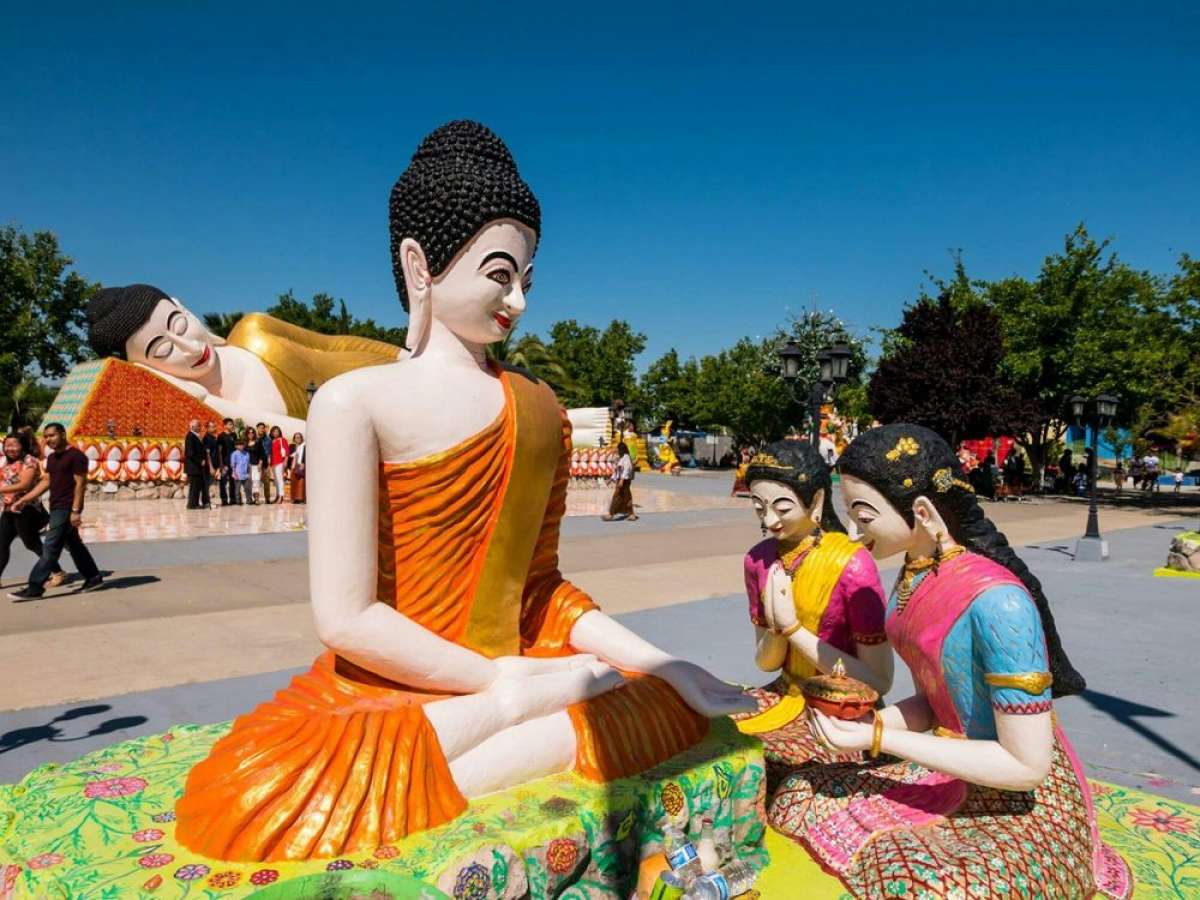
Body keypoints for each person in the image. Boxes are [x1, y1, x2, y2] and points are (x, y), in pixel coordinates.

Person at [175, 120, 751, 861]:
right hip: (389, 692)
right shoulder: (354, 402)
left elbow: (542, 590)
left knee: (662, 703)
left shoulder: (538, 407)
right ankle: (531, 721)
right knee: (257, 793)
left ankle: (517, 728)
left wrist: (671, 666)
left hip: (505, 684)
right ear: (420, 266)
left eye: (527, 279)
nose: (518, 301)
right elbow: (348, 619)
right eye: (499, 273)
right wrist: (500, 685)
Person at [768, 424, 1130, 900]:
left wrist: (877, 736)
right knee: (799, 794)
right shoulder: (914, 577)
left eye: (864, 515)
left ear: (921, 512)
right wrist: (865, 727)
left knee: (925, 885)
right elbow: (937, 701)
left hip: (1018, 796)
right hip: (948, 761)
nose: (854, 533)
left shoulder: (999, 602)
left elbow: (1027, 766)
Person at [735, 440, 890, 780]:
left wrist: (794, 630)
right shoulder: (757, 560)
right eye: (759, 508)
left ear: (816, 500)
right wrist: (777, 629)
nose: (770, 520)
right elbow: (766, 663)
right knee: (707, 732)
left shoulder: (851, 564)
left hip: (839, 707)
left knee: (761, 760)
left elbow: (879, 681)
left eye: (782, 507)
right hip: (784, 691)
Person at [85, 284, 402, 429]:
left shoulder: (253, 330)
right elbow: (305, 437)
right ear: (143, 368)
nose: (191, 348)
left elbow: (331, 345)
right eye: (163, 350)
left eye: (179, 324)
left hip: (391, 374)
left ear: (183, 307)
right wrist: (200, 400)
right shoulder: (211, 412)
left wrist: (404, 354)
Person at [8, 423, 103, 600]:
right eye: (46, 437)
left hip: (66, 508)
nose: (48, 439)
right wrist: (24, 499)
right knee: (74, 545)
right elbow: (47, 482)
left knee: (51, 548)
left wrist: (76, 510)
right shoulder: (52, 458)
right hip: (55, 506)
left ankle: (34, 587)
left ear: (62, 434)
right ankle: (93, 577)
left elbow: (81, 484)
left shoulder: (76, 456)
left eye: (52, 435)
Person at [0, 432, 65, 589]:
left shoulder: (30, 461)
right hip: (9, 509)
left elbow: (25, 484)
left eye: (14, 444)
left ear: (22, 445)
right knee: (1, 544)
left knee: (32, 543)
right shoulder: (5, 462)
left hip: (26, 509)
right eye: (7, 445)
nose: (10, 448)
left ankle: (57, 572)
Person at [602, 441, 637, 521]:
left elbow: (627, 470)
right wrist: (611, 479)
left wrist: (622, 480)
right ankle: (631, 514)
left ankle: (611, 514)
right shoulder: (620, 458)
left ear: (621, 449)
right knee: (626, 497)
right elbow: (617, 471)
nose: (617, 450)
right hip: (620, 480)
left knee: (616, 496)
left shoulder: (626, 457)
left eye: (618, 449)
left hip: (624, 480)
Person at [184, 419, 208, 510]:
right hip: (193, 467)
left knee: (197, 486)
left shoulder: (196, 436)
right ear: (192, 427)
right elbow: (190, 453)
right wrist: (200, 461)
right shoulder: (190, 436)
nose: (200, 427)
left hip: (197, 467)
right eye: (198, 425)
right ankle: (192, 504)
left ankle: (195, 503)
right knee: (194, 487)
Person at [217, 417, 237, 506]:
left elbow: (237, 449)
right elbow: (220, 451)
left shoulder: (234, 435)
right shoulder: (221, 436)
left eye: (232, 424)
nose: (232, 425)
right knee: (223, 482)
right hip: (225, 463)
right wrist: (221, 464)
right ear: (224, 425)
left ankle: (233, 499)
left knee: (233, 481)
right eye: (230, 424)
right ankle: (224, 499)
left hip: (234, 463)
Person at [268, 425, 289, 503]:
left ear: (279, 432)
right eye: (274, 431)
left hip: (280, 462)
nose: (275, 433)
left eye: (277, 431)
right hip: (273, 463)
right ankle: (277, 495)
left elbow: (287, 451)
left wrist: (285, 461)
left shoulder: (282, 440)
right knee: (276, 480)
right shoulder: (272, 441)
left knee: (280, 480)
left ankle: (281, 496)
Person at [202, 420, 220, 508]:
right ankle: (206, 502)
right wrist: (211, 467)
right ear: (207, 428)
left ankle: (208, 501)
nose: (215, 428)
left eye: (215, 426)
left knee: (210, 483)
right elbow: (207, 453)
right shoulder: (206, 438)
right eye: (212, 427)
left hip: (214, 464)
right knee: (207, 484)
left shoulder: (213, 437)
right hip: (210, 465)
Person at [229, 439, 252, 506]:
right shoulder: (234, 454)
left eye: (242, 445)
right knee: (237, 489)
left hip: (245, 474)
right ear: (236, 446)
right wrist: (235, 474)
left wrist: (250, 474)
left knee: (247, 488)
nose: (241, 446)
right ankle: (238, 501)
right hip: (237, 474)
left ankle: (249, 500)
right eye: (239, 445)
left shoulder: (247, 454)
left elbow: (248, 464)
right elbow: (233, 465)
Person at [245, 425, 263, 503]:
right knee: (249, 482)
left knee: (256, 481)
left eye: (252, 432)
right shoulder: (244, 443)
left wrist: (260, 464)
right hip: (247, 466)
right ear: (246, 434)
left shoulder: (258, 442)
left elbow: (262, 454)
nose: (251, 434)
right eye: (249, 433)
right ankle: (250, 498)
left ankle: (257, 499)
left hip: (256, 465)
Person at [256, 422, 272, 503]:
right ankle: (256, 498)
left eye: (263, 427)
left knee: (266, 481)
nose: (261, 429)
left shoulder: (268, 439)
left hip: (265, 462)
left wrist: (269, 460)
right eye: (260, 427)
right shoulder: (255, 438)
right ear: (257, 428)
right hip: (255, 462)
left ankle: (267, 498)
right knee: (256, 481)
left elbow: (269, 451)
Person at [288, 432, 307, 504]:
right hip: (294, 466)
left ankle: (301, 498)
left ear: (301, 438)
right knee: (294, 482)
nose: (297, 439)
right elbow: (290, 456)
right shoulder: (294, 446)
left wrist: (303, 463)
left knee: (301, 482)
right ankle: (295, 498)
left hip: (300, 465)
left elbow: (304, 454)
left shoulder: (304, 445)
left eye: (299, 437)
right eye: (296, 437)